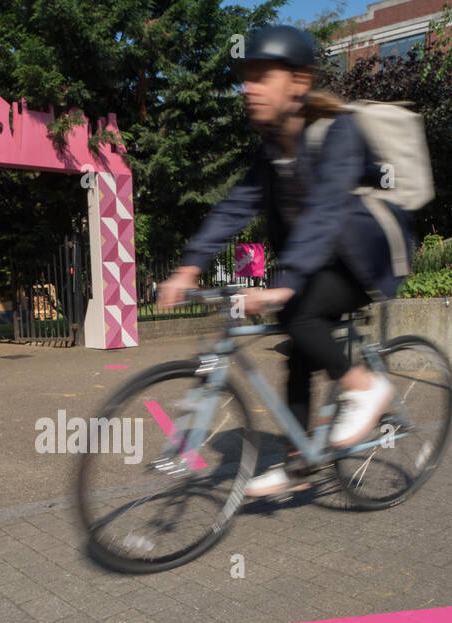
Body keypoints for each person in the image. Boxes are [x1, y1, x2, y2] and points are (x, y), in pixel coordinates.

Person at [158, 25, 415, 498]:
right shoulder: (273, 150)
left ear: (298, 82)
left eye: (261, 76)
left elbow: (326, 212)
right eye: (245, 77)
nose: (247, 88)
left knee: (299, 310)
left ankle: (365, 387)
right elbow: (235, 207)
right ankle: (299, 464)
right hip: (319, 262)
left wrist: (284, 283)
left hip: (367, 261)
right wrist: (189, 266)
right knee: (298, 349)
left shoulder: (339, 131)